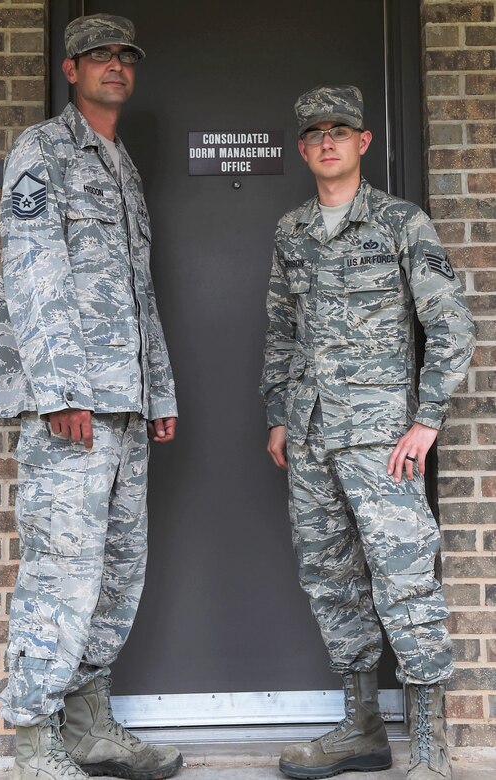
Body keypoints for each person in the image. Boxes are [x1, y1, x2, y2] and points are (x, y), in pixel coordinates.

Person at [261, 85, 475, 780]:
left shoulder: (397, 222)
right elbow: (281, 330)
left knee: (404, 579)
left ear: (362, 142)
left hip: (382, 439)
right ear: (302, 148)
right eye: (314, 132)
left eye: (339, 130)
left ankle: (429, 747)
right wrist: (278, 413)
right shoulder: (291, 231)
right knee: (329, 581)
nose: (327, 141)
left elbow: (451, 324)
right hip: (311, 436)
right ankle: (359, 730)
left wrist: (426, 419)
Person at [0, 14, 182, 780]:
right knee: (60, 571)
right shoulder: (43, 150)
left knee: (116, 570)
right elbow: (33, 275)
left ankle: (89, 723)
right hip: (70, 407)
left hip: (124, 404)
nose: (113, 65)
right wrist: (61, 389)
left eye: (123, 56)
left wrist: (157, 389)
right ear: (70, 69)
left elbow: (136, 291)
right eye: (97, 55)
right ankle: (34, 741)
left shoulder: (120, 162)